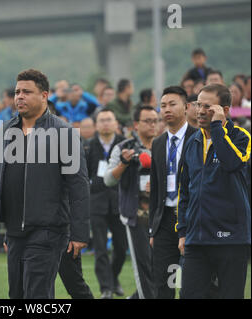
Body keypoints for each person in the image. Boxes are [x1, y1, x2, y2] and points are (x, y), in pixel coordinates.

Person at [0, 69, 90, 299]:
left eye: (26, 92)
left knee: (36, 295)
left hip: (48, 230)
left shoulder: (64, 134)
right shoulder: (5, 132)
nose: (19, 96)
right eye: (17, 92)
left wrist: (79, 232)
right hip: (14, 231)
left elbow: (78, 186)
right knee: (17, 295)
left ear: (44, 95)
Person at [177, 84, 251, 299]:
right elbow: (185, 190)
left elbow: (231, 163)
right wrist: (182, 231)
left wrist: (217, 127)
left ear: (224, 111)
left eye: (207, 107)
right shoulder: (192, 142)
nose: (200, 110)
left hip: (231, 239)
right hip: (196, 240)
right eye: (199, 104)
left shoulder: (242, 137)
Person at [104, 106, 158, 299]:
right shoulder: (123, 148)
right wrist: (124, 164)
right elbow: (108, 179)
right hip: (136, 216)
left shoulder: (164, 146)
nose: (153, 125)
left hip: (162, 216)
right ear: (136, 125)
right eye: (148, 121)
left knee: (162, 268)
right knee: (144, 267)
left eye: (155, 120)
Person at [149, 86, 198, 299]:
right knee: (162, 281)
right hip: (164, 220)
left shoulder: (198, 139)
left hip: (192, 217)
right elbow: (155, 188)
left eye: (172, 104)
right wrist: (153, 228)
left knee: (193, 281)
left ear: (186, 107)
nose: (167, 109)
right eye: (163, 105)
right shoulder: (158, 143)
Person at [87, 109, 127, 299]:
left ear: (115, 123)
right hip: (96, 203)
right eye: (101, 120)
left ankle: (113, 278)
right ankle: (106, 289)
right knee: (100, 248)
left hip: (120, 201)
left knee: (120, 246)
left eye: (108, 120)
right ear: (96, 125)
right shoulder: (88, 146)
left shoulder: (125, 144)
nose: (105, 123)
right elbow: (83, 174)